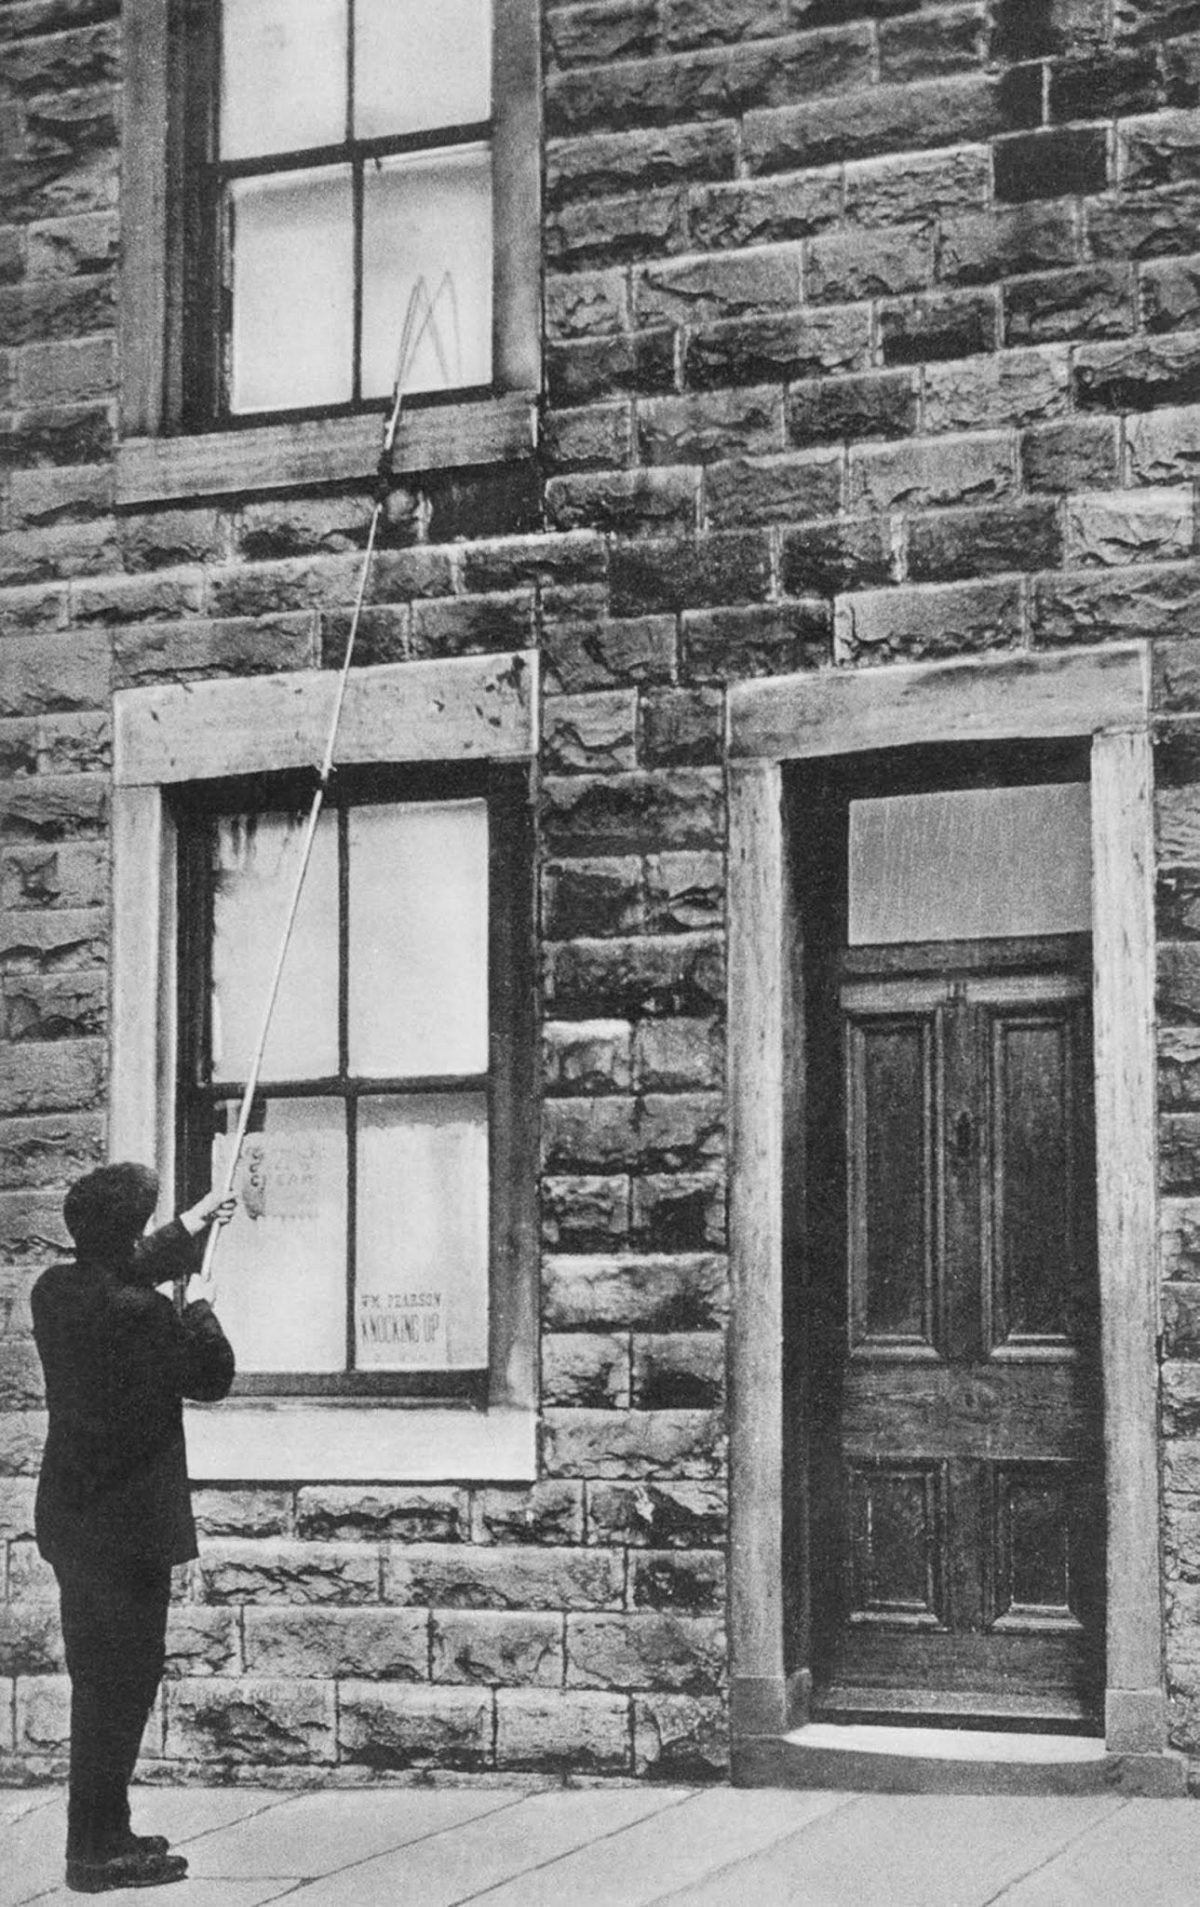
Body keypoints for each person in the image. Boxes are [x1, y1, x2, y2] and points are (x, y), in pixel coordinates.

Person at [31, 1163, 237, 1894]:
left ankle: (104, 1828)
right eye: (144, 1223)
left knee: (98, 1681)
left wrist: (196, 1220)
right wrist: (203, 1306)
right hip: (128, 1530)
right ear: (123, 1232)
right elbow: (211, 1375)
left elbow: (125, 1265)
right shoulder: (143, 1314)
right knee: (123, 1682)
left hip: (73, 1521)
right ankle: (93, 1850)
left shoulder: (55, 1291)